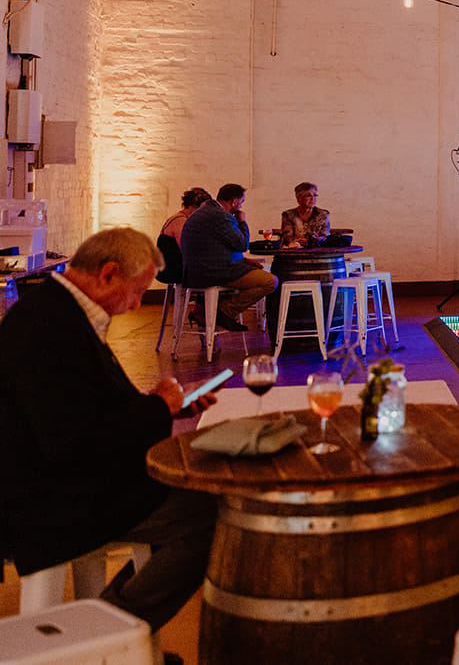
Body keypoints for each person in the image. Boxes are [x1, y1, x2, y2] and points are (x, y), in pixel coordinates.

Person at [0, 228, 220, 632]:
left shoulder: (59, 309)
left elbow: (86, 407)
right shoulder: (46, 327)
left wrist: (165, 405)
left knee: (201, 499)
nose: (136, 305)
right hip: (50, 498)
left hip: (69, 478)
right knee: (210, 516)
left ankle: (111, 624)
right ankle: (106, 633)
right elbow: (70, 443)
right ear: (108, 273)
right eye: (138, 291)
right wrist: (157, 407)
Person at [180, 183, 276, 329]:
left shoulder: (204, 211)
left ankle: (209, 312)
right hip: (213, 273)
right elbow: (242, 245)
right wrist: (242, 221)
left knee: (252, 273)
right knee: (271, 281)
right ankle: (225, 311)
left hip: (194, 272)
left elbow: (214, 247)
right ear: (234, 202)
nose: (241, 206)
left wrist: (243, 260)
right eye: (241, 202)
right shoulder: (221, 216)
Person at [157, 187, 210, 288]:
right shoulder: (181, 221)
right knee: (212, 273)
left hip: (169, 267)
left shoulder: (179, 218)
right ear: (195, 206)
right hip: (171, 269)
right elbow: (186, 249)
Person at [278, 181, 330, 248]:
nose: (313, 199)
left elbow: (326, 236)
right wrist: (298, 241)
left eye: (315, 195)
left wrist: (317, 240)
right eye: (308, 195)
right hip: (295, 251)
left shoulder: (323, 214)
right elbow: (287, 238)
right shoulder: (288, 215)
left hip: (317, 250)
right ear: (298, 198)